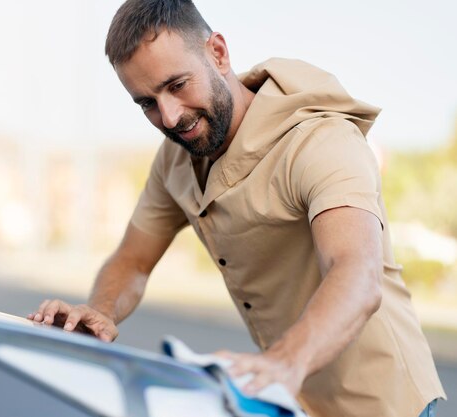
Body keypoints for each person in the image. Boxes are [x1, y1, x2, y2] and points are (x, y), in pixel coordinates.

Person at [28, 0, 445, 415]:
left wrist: (285, 363)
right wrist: (99, 311)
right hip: (286, 396)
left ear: (219, 53)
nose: (170, 117)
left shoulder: (320, 140)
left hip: (384, 404)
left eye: (177, 85)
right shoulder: (175, 157)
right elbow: (133, 260)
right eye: (147, 103)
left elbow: (357, 271)